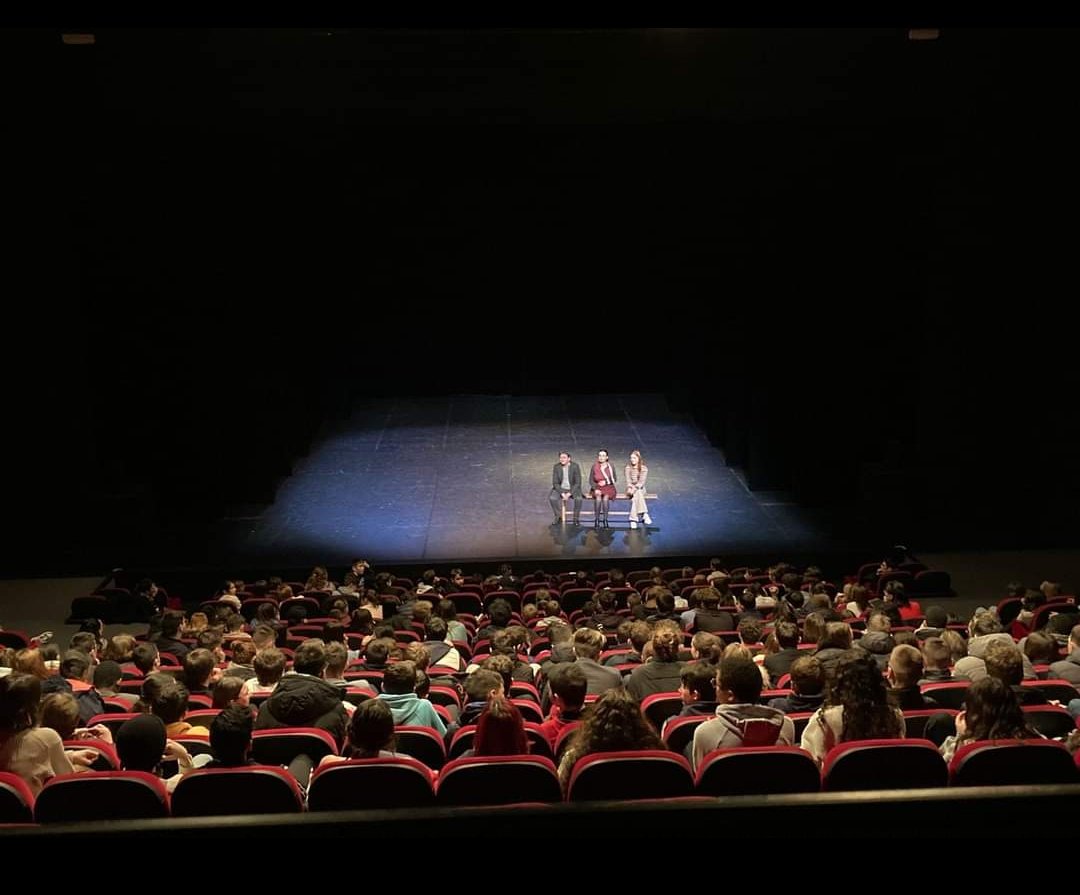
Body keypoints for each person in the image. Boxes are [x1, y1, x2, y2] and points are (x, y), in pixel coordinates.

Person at [549, 451, 584, 526]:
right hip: (561, 488)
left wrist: (569, 494)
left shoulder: (575, 466)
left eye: (564, 457)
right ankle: (558, 516)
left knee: (579, 499)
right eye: (561, 457)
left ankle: (576, 518)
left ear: (569, 459)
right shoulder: (556, 467)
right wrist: (562, 493)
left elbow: (578, 482)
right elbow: (555, 483)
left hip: (572, 488)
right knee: (552, 498)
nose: (562, 459)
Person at [588, 449, 617, 529]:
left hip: (608, 487)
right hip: (597, 486)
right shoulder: (594, 466)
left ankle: (605, 519)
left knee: (605, 498)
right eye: (600, 455)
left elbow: (614, 479)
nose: (601, 457)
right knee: (598, 498)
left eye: (603, 456)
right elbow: (591, 480)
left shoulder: (610, 466)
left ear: (607, 457)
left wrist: (606, 482)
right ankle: (597, 519)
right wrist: (595, 488)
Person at [624, 449, 652, 529]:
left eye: (634, 458)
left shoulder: (644, 468)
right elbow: (628, 481)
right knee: (636, 495)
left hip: (641, 489)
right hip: (630, 488)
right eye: (631, 458)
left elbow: (641, 483)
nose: (632, 460)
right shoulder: (628, 468)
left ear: (638, 459)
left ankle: (633, 520)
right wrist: (630, 488)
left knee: (636, 496)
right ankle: (644, 514)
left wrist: (634, 489)